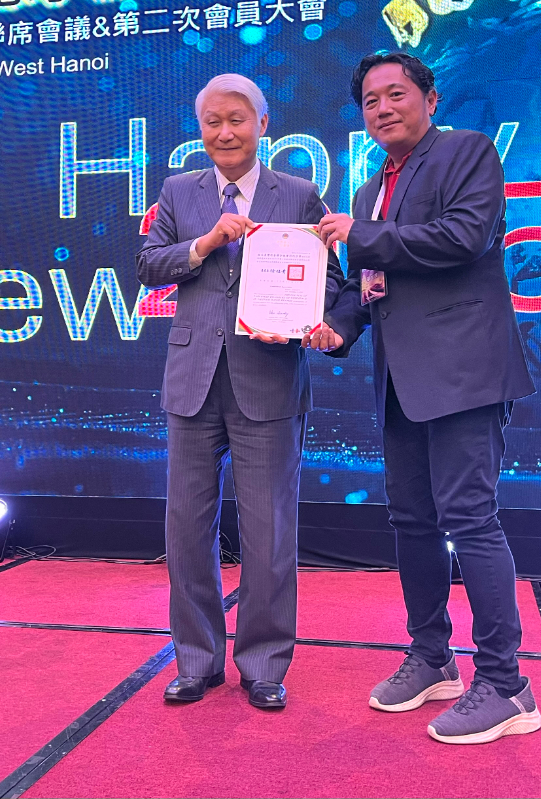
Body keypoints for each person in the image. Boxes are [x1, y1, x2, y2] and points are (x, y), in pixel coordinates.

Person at [308, 52, 539, 744]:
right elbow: (367, 284)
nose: (383, 108)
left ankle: (506, 685)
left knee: (470, 519)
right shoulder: (368, 190)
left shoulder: (466, 152)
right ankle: (433, 657)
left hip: (464, 371)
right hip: (401, 378)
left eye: (396, 93)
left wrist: (363, 236)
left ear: (430, 99)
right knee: (411, 521)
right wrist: (336, 326)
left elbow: (465, 238)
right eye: (370, 100)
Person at [137, 73, 343, 710]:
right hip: (192, 381)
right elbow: (148, 265)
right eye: (212, 122)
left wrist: (315, 320)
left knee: (270, 533)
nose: (224, 132)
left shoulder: (299, 193)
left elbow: (330, 279)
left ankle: (264, 665)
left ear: (262, 124)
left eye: (237, 119)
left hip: (270, 378)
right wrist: (205, 243)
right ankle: (195, 661)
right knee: (185, 531)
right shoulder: (178, 190)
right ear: (200, 128)